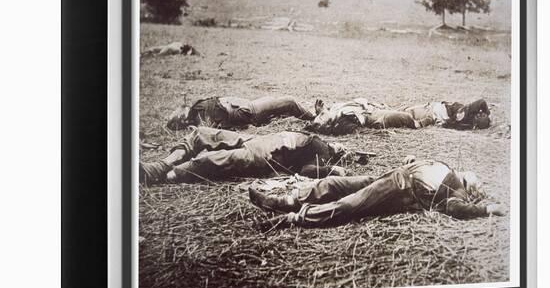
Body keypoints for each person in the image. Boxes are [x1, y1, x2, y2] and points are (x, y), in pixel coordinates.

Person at [248, 156, 504, 229]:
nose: (472, 176)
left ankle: (291, 218)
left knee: (349, 205)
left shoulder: (456, 189)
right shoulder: (447, 167)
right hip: (394, 175)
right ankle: (283, 201)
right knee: (336, 185)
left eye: (474, 182)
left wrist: (485, 209)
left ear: (469, 187)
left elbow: (454, 208)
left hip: (399, 189)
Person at [140, 126, 347, 185]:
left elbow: (307, 171)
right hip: (257, 139)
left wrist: (332, 169)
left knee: (212, 160)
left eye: (342, 148)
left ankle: (164, 176)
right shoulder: (315, 138)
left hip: (266, 154)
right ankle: (161, 165)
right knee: (202, 134)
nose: (340, 145)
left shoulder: (324, 152)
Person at [308, 98, 491, 134]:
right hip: (432, 110)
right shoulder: (464, 112)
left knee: (403, 113)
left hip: (374, 109)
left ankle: (416, 120)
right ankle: (418, 123)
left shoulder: (339, 108)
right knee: (405, 116)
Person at [167, 96, 316, 130]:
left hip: (247, 106)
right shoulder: (200, 115)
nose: (184, 107)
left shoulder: (199, 111)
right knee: (289, 102)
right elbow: (213, 126)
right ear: (183, 118)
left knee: (283, 106)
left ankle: (310, 115)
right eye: (181, 112)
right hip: (250, 110)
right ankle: (316, 119)